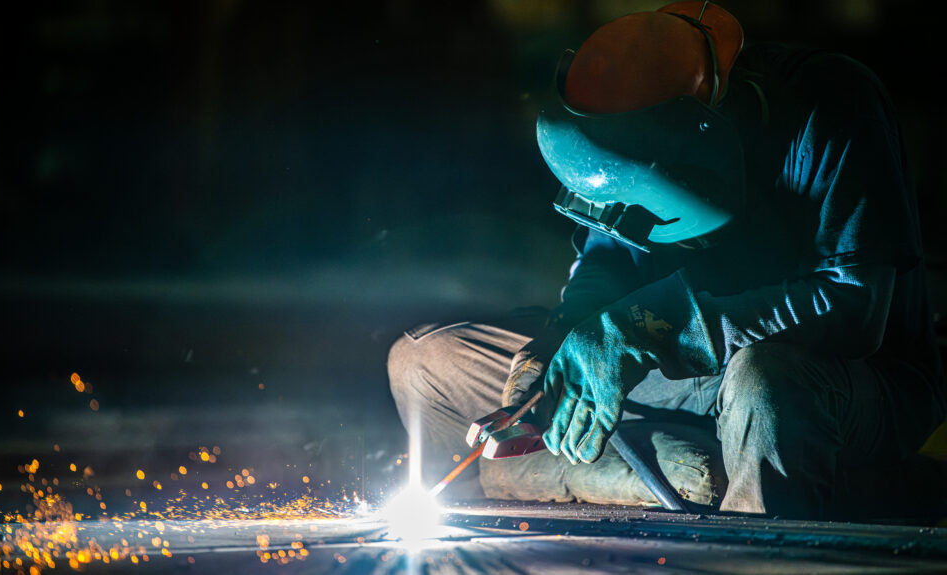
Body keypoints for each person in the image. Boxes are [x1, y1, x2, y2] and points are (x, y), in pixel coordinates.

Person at [387, 0, 945, 518]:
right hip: (669, 373)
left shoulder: (831, 102)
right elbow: (605, 266)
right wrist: (556, 346)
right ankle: (676, 474)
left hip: (835, 380)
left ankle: (725, 511)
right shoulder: (620, 116)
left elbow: (854, 307)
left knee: (764, 385)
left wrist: (643, 327)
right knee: (426, 363)